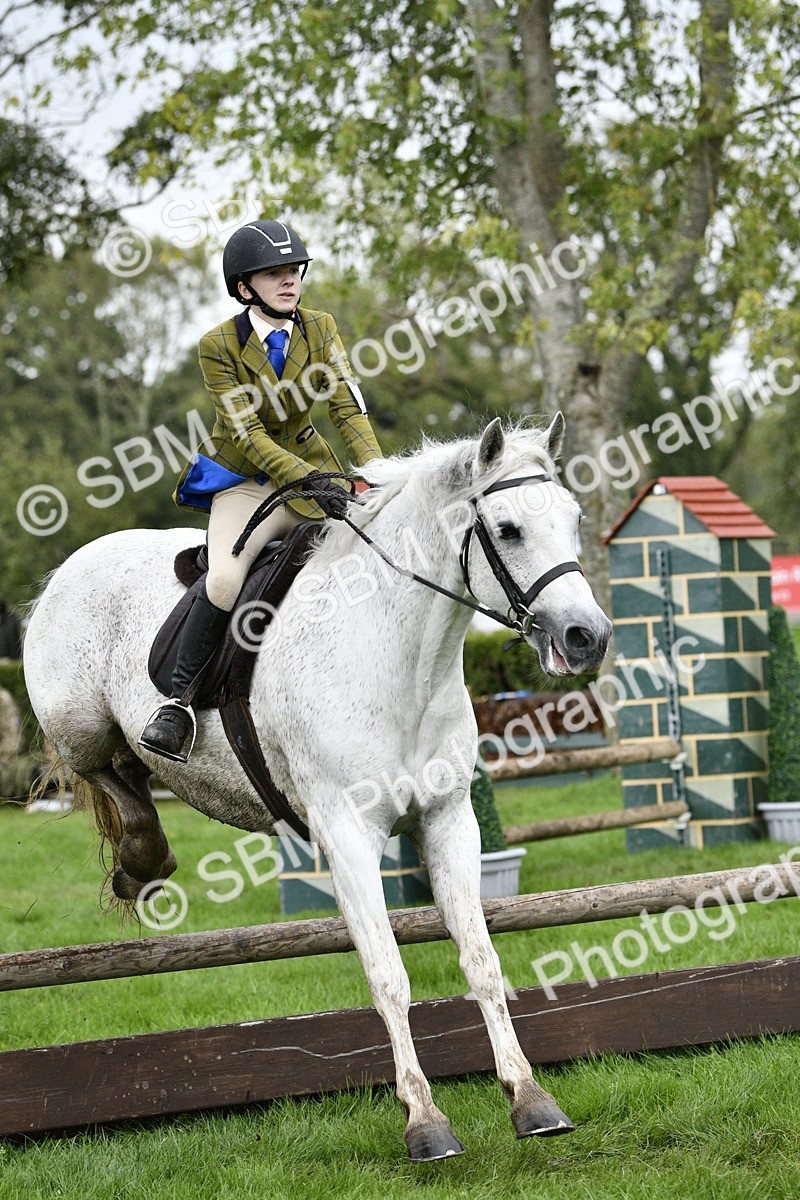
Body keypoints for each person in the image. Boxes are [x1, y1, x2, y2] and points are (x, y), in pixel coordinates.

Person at [139, 219, 383, 761]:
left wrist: (376, 472)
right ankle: (178, 704)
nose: (290, 281)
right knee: (226, 577)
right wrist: (309, 480)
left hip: (317, 472)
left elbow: (347, 405)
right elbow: (247, 434)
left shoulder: (320, 328)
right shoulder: (218, 346)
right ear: (245, 287)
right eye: (275, 274)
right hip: (248, 481)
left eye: (293, 271)